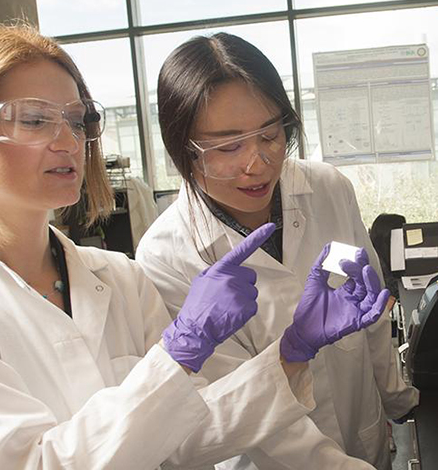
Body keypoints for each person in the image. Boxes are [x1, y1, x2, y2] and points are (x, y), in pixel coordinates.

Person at [0, 23, 386, 470]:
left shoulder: (118, 279)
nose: (67, 140)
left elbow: (185, 441)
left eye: (78, 121)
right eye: (33, 120)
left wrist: (292, 350)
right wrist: (177, 355)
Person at [136, 33, 419, 470]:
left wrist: (400, 401)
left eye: (270, 135)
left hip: (363, 437)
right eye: (228, 147)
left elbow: (372, 308)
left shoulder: (327, 188)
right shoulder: (166, 256)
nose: (259, 163)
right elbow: (231, 402)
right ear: (182, 150)